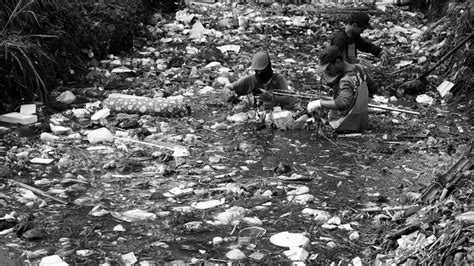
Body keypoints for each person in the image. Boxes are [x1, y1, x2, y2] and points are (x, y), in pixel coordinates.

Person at [307, 46, 369, 133]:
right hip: (362, 121)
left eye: (328, 68)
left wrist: (319, 103)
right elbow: (371, 87)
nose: (327, 72)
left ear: (337, 62)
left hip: (346, 125)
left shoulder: (346, 80)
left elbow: (342, 103)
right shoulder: (359, 68)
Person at [331, 12, 391, 96]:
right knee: (367, 83)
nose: (362, 32)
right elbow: (338, 63)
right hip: (342, 74)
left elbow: (364, 45)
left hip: (351, 69)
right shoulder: (340, 39)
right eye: (362, 29)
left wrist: (380, 51)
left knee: (372, 85)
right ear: (355, 25)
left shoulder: (353, 36)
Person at [222, 51, 292, 109]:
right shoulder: (250, 80)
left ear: (267, 68)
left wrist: (271, 98)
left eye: (261, 71)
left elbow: (288, 99)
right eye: (256, 71)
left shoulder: (278, 79)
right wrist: (227, 91)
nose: (258, 73)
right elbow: (229, 87)